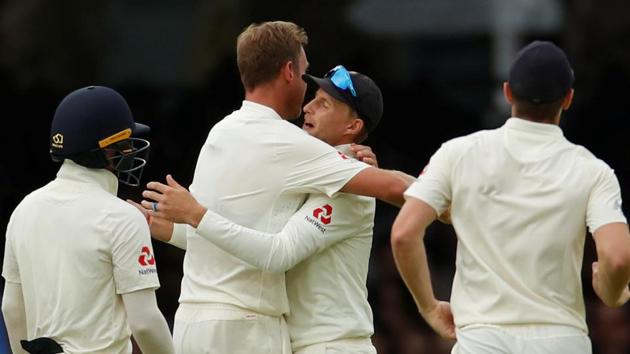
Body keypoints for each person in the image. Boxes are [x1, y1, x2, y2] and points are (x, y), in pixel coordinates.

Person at [139, 21, 410, 354]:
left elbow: (273, 249)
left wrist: (193, 218)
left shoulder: (221, 133)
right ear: (288, 72)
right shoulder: (292, 149)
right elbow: (255, 238)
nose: (309, 105)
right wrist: (176, 225)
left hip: (309, 341)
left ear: (354, 126)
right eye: (309, 84)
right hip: (256, 328)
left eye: (323, 103)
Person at [390, 40, 630, 354]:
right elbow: (618, 257)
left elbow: (404, 234)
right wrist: (612, 293)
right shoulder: (593, 171)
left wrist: (429, 307)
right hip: (561, 341)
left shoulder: (458, 153)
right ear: (568, 99)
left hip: (482, 341)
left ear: (507, 92)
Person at [1, 86, 175, 354]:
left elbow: (12, 308)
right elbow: (145, 323)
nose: (130, 152)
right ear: (106, 150)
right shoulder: (123, 218)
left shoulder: (25, 210)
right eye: (125, 144)